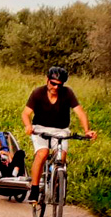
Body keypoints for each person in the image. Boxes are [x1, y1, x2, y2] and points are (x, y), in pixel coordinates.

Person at [21, 66, 97, 201]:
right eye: (53, 83)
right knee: (42, 153)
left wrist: (87, 130)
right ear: (47, 80)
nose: (55, 87)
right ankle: (34, 188)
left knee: (61, 157)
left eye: (59, 85)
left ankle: (57, 183)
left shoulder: (67, 93)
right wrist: (28, 126)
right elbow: (26, 113)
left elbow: (80, 112)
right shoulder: (38, 93)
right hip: (40, 129)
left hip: (61, 130)